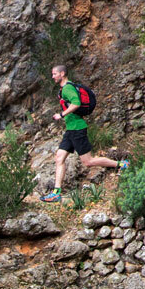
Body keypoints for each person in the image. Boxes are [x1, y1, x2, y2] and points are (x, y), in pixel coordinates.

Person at [43, 65, 124, 202]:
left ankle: (121, 165)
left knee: (88, 162)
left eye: (55, 74)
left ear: (62, 73)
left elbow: (77, 103)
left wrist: (61, 114)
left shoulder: (68, 88)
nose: (53, 76)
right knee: (59, 158)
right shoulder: (65, 88)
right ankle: (56, 193)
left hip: (77, 129)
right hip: (71, 130)